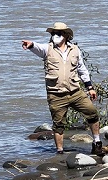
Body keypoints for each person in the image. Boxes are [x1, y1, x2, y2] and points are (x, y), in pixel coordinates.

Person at [22, 22, 103, 158]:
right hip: (56, 94)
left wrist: (90, 87)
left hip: (75, 92)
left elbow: (82, 69)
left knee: (92, 113)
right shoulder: (47, 49)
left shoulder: (75, 50)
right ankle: (60, 152)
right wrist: (30, 45)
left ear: (65, 35)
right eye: (53, 33)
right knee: (58, 124)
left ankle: (97, 143)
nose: (55, 36)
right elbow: (37, 47)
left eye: (58, 33)